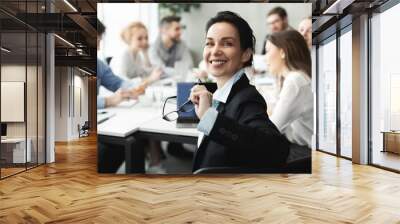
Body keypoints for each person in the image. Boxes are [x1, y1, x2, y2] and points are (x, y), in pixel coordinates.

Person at [189, 11, 289, 173]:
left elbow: (276, 150)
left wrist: (209, 118)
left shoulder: (247, 98)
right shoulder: (221, 95)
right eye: (209, 43)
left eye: (227, 44)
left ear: (246, 54)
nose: (215, 51)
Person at [97, 19, 162, 173]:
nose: (99, 44)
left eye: (99, 39)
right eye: (96, 39)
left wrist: (133, 89)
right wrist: (108, 101)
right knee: (129, 140)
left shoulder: (99, 64)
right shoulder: (123, 55)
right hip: (98, 117)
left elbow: (118, 82)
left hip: (111, 110)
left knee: (134, 136)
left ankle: (152, 165)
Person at [265, 30, 313, 148]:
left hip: (304, 151)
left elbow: (273, 127)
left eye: (268, 51)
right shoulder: (294, 78)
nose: (265, 58)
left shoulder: (295, 80)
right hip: (298, 147)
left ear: (282, 52)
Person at [149, 15, 193, 80]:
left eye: (180, 29)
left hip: (178, 81)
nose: (180, 32)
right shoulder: (153, 48)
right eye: (177, 29)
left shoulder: (182, 44)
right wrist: (180, 70)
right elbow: (160, 70)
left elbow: (189, 65)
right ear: (164, 30)